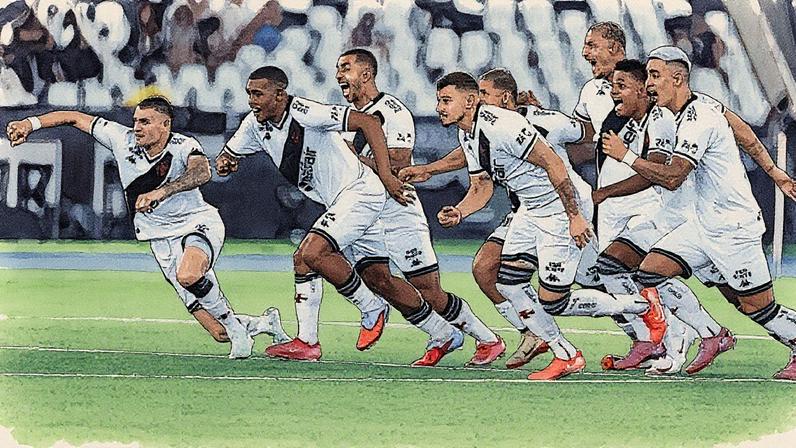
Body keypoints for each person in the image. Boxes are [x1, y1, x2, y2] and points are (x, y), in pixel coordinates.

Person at [216, 66, 465, 367]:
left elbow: (369, 123)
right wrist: (226, 162)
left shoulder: (304, 112)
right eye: (249, 94)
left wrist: (387, 176)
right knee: (378, 279)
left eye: (258, 94)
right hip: (341, 202)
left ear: (279, 94)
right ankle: (442, 332)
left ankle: (370, 308)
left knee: (311, 252)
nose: (252, 101)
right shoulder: (255, 125)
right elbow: (229, 154)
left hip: (360, 192)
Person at [5, 96, 290, 359]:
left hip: (197, 223)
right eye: (136, 121)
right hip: (159, 239)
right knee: (218, 334)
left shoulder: (183, 145)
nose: (137, 127)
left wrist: (162, 192)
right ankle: (263, 323)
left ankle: (239, 331)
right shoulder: (122, 139)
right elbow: (74, 118)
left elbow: (202, 172)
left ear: (165, 124)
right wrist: (30, 124)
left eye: (145, 121)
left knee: (189, 274)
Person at [425, 72, 665, 380]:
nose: (439, 108)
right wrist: (460, 213)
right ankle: (566, 354)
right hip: (531, 209)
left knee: (555, 300)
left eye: (446, 101)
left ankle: (640, 306)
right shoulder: (467, 133)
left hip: (559, 209)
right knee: (509, 283)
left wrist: (574, 215)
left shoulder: (504, 126)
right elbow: (482, 185)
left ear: (469, 101)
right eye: (439, 101)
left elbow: (553, 162)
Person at [593, 46, 796, 380]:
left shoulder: (699, 119)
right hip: (700, 224)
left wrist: (625, 155)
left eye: (655, 76)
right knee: (650, 272)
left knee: (757, 308)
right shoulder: (693, 106)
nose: (649, 84)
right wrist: (774, 171)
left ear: (678, 78)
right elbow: (742, 130)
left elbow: (673, 178)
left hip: (733, 227)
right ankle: (710, 333)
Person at [400, 68, 596, 370]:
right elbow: (469, 162)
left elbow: (585, 136)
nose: (480, 100)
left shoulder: (527, 122)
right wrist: (436, 177)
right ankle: (536, 333)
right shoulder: (474, 129)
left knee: (582, 282)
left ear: (502, 97)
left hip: (560, 204)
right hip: (527, 209)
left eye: (484, 94)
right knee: (490, 270)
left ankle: (639, 312)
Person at [335, 48, 504, 366]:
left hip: (396, 210)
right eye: (337, 68)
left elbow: (398, 165)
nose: (339, 75)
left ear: (367, 74)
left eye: (346, 68)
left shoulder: (391, 111)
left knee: (428, 289)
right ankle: (441, 334)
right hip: (363, 211)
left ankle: (488, 340)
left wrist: (349, 156)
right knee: (375, 278)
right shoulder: (344, 119)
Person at [576, 59, 728, 373]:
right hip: (666, 213)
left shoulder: (660, 119)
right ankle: (658, 340)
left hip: (682, 216)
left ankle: (683, 341)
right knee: (614, 268)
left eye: (621, 87)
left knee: (652, 275)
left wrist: (607, 187)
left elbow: (657, 174)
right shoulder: (634, 119)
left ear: (644, 91)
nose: (614, 93)